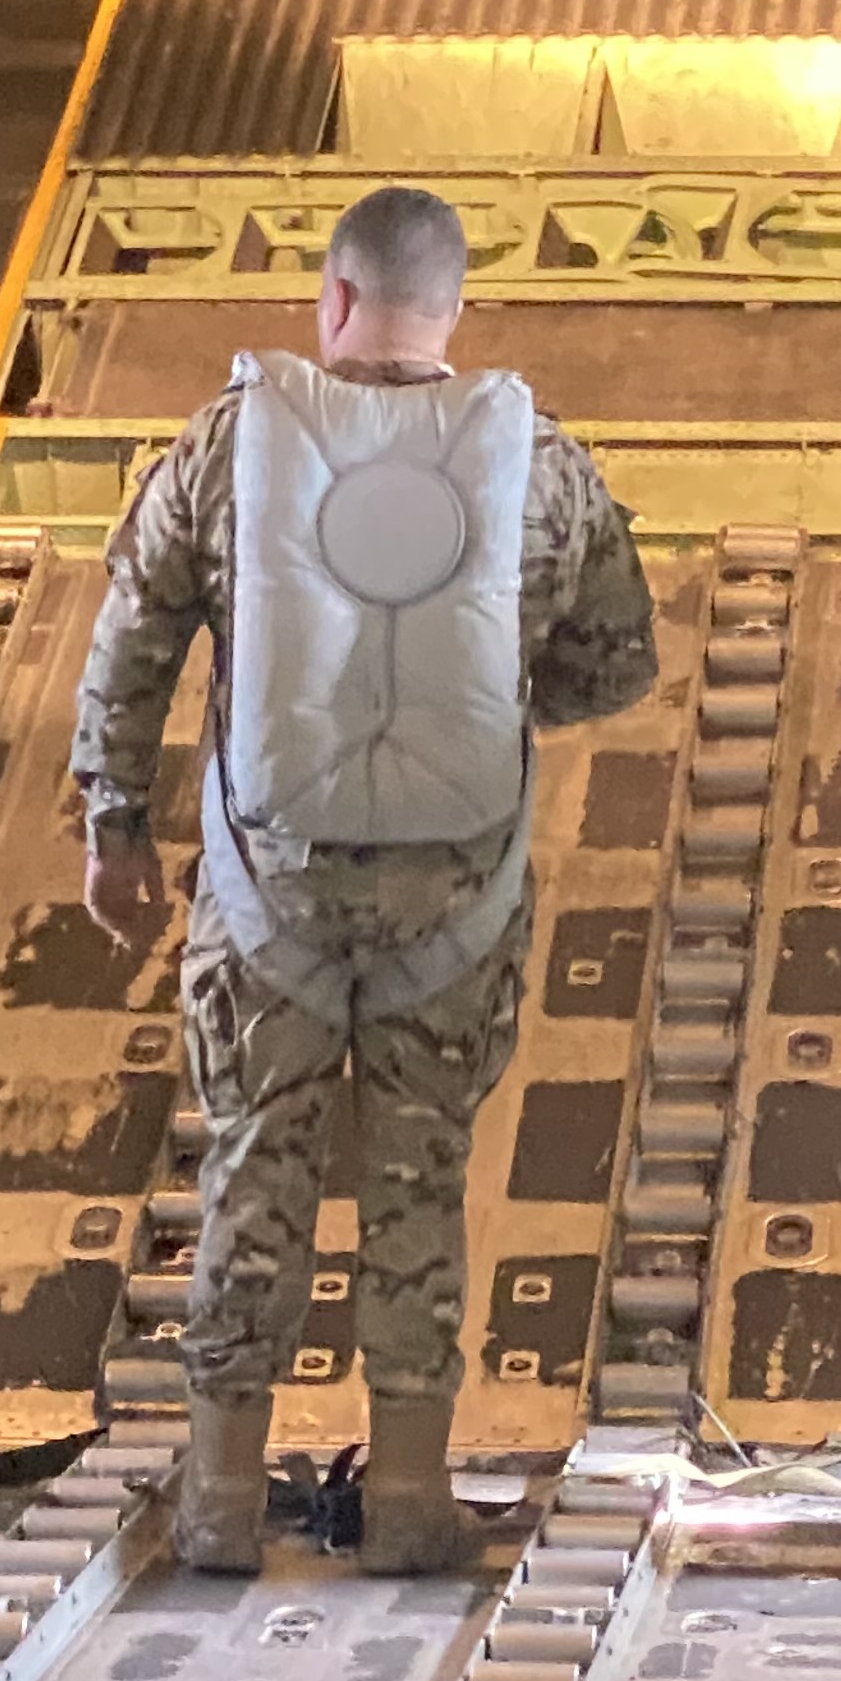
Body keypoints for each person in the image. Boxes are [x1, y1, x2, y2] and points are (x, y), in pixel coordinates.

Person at [73, 181, 658, 1577]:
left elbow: (133, 635)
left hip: (263, 896)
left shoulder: (229, 443)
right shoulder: (542, 466)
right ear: (454, 311)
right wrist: (494, 706)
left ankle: (220, 1499)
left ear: (333, 299)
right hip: (453, 909)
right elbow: (619, 660)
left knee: (250, 1171)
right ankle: (405, 1498)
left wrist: (113, 820)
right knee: (419, 1182)